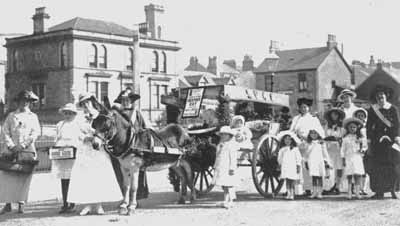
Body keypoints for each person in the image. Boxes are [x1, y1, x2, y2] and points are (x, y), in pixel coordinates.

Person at [67, 93, 121, 215]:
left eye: (87, 102)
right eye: (83, 103)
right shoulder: (80, 117)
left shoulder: (99, 114)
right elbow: (76, 131)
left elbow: (105, 129)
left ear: (92, 101)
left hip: (98, 148)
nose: (86, 105)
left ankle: (98, 205)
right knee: (85, 176)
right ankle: (87, 205)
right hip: (85, 148)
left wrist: (96, 136)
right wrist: (85, 138)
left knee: (98, 174)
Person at [0, 90, 41, 214]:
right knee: (8, 175)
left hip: (27, 150)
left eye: (27, 101)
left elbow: (35, 133)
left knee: (24, 175)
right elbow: (5, 131)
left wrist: (23, 145)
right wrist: (11, 145)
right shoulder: (11, 116)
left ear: (30, 103)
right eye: (22, 101)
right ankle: (7, 203)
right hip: (10, 150)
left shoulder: (33, 117)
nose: (24, 103)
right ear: (18, 102)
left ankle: (21, 203)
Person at [114, 88, 151, 199]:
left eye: (128, 100)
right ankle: (124, 196)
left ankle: (137, 197)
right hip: (121, 144)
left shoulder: (136, 112)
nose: (126, 102)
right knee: (121, 171)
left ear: (131, 101)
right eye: (123, 100)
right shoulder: (118, 114)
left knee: (137, 170)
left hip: (135, 142)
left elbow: (143, 127)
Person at [366, 85, 400, 199]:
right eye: (378, 96)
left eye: (382, 95)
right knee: (377, 167)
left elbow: (396, 125)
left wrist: (396, 137)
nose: (380, 98)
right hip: (377, 142)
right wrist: (369, 141)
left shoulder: (393, 108)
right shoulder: (372, 109)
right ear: (376, 98)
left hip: (391, 141)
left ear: (386, 96)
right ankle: (379, 191)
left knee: (392, 166)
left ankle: (393, 190)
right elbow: (369, 126)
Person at [290, 97, 325, 196]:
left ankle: (312, 189)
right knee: (298, 165)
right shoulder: (296, 119)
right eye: (301, 107)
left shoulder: (313, 119)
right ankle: (299, 189)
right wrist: (295, 137)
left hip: (310, 145)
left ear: (309, 108)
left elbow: (320, 132)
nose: (303, 109)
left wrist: (309, 138)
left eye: (305, 107)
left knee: (310, 166)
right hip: (298, 143)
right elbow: (291, 130)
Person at [52, 103, 81, 214]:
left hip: (73, 152)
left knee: (72, 179)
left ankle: (72, 203)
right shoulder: (60, 124)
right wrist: (55, 147)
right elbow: (56, 137)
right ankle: (65, 203)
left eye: (70, 113)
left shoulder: (77, 124)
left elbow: (81, 136)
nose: (68, 115)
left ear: (74, 114)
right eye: (66, 113)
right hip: (61, 153)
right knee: (63, 179)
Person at [213, 126, 239, 209]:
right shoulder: (220, 145)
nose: (223, 136)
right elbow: (217, 156)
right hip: (221, 167)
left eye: (225, 135)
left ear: (230, 136)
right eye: (222, 135)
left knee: (229, 185)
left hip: (228, 168)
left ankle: (231, 201)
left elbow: (233, 157)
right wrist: (215, 165)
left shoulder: (231, 145)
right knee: (224, 185)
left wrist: (232, 168)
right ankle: (225, 200)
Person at [341, 118, 367, 200]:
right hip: (349, 157)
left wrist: (362, 149)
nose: (352, 129)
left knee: (357, 175)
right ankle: (349, 192)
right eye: (351, 127)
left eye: (354, 127)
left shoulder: (360, 138)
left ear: (357, 128)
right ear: (348, 128)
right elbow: (342, 149)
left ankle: (357, 192)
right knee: (349, 175)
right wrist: (343, 158)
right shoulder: (345, 138)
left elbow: (365, 147)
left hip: (357, 157)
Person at [323, 108, 346, 195]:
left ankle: (337, 186)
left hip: (339, 149)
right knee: (329, 167)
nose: (334, 116)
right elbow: (324, 135)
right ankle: (329, 186)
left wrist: (339, 139)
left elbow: (344, 137)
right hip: (329, 149)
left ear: (339, 116)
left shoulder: (342, 127)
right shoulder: (327, 126)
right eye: (332, 114)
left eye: (336, 114)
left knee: (339, 167)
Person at [304, 128, 331, 199]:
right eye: (312, 133)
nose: (313, 135)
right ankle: (314, 192)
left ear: (318, 134)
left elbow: (325, 152)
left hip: (319, 161)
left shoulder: (321, 143)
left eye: (315, 133)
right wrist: (306, 161)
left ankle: (319, 192)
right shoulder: (308, 143)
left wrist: (326, 161)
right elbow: (306, 153)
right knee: (314, 177)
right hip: (312, 161)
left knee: (319, 177)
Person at [277, 131, 302, 200]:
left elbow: (298, 158)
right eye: (286, 139)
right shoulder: (282, 149)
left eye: (289, 139)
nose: (287, 141)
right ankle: (288, 193)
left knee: (292, 181)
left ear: (292, 140)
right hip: (285, 167)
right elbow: (280, 158)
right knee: (287, 180)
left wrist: (298, 166)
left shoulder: (295, 149)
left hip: (292, 166)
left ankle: (292, 193)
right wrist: (280, 165)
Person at [353, 108, 369, 196]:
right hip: (356, 151)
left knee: (365, 170)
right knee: (357, 170)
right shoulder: (354, 127)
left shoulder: (367, 127)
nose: (360, 117)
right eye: (358, 116)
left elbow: (367, 139)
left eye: (362, 116)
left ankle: (364, 188)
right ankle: (357, 188)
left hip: (366, 150)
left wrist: (365, 148)